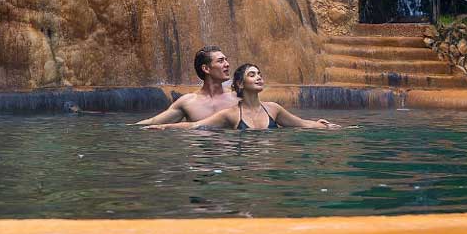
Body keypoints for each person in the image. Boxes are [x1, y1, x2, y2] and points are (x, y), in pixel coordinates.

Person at [145, 63, 341, 131]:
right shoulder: (230, 115)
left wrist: (321, 125)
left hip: (267, 171)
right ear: (239, 84)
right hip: (243, 169)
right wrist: (165, 126)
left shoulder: (273, 108)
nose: (259, 78)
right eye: (252, 74)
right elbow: (195, 126)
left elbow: (302, 124)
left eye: (260, 74)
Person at [134, 45, 238, 124]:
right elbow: (153, 122)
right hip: (201, 152)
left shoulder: (237, 99)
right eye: (221, 61)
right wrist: (123, 128)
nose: (227, 64)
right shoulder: (188, 102)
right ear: (206, 68)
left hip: (228, 152)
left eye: (226, 60)